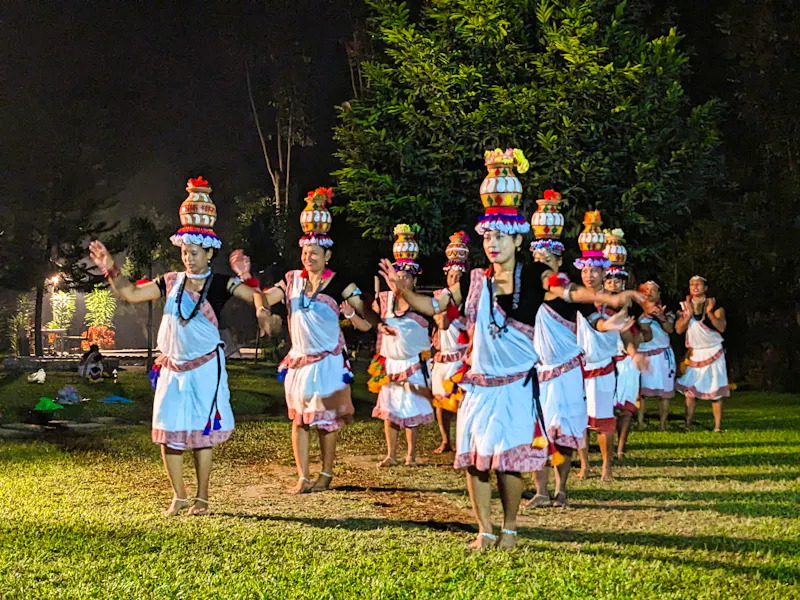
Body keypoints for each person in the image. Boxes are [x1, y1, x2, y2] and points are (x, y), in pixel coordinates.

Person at [379, 150, 641, 550]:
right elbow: (436, 306)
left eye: (501, 236)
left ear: (519, 238)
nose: (493, 243)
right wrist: (403, 292)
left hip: (517, 386)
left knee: (509, 463)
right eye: (488, 236)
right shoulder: (473, 280)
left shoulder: (535, 276)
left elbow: (569, 291)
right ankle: (484, 529)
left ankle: (511, 529)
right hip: (479, 386)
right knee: (474, 460)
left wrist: (611, 297)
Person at [89, 177, 268, 516]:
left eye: (195, 253)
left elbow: (255, 295)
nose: (188, 258)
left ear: (209, 251)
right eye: (185, 251)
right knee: (167, 433)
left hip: (204, 369)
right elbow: (130, 293)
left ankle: (202, 497)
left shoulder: (219, 284)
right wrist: (110, 268)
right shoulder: (170, 282)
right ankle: (179, 496)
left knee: (201, 434)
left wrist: (261, 310)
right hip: (171, 368)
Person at [259, 187, 375, 493]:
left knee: (324, 421)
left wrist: (354, 312)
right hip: (299, 361)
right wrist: (255, 294)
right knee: (299, 420)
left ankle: (325, 473)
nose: (308, 257)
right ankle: (303, 476)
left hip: (328, 361)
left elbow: (366, 318)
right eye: (305, 252)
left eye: (315, 253)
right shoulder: (292, 279)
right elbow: (269, 297)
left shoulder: (340, 283)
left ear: (327, 255)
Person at [368, 224, 435, 467]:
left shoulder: (421, 302)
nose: (402, 280)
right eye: (399, 275)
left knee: (412, 411)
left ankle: (411, 456)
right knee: (391, 410)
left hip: (414, 365)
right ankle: (391, 454)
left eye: (407, 276)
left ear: (414, 279)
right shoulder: (384, 300)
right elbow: (370, 322)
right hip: (390, 363)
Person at [602, 229, 649, 460]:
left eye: (618, 281)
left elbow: (643, 337)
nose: (614, 284)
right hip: (607, 362)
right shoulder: (599, 308)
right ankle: (606, 451)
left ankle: (620, 449)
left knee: (627, 409)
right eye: (609, 280)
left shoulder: (634, 310)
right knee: (606, 409)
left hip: (628, 364)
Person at [430, 231, 470, 454]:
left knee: (461, 402)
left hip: (461, 357)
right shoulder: (440, 298)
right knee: (440, 403)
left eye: (457, 277)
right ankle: (446, 440)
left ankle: (464, 441)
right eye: (450, 276)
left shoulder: (468, 303)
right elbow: (440, 323)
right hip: (443, 356)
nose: (453, 280)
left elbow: (447, 324)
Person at [675, 275, 729, 432]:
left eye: (698, 284)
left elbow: (722, 327)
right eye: (692, 284)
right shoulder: (684, 307)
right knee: (690, 392)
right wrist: (688, 316)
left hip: (714, 352)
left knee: (716, 392)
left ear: (705, 288)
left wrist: (710, 313)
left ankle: (718, 426)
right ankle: (688, 424)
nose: (695, 287)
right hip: (695, 353)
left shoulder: (715, 306)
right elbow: (679, 329)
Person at [637, 281, 676, 431]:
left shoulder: (667, 310)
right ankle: (640, 422)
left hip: (662, 354)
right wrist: (646, 315)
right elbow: (645, 332)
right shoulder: (635, 309)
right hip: (644, 355)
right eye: (646, 290)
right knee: (642, 393)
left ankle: (663, 424)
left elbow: (670, 330)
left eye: (654, 290)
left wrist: (661, 317)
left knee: (665, 393)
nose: (650, 293)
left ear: (659, 294)